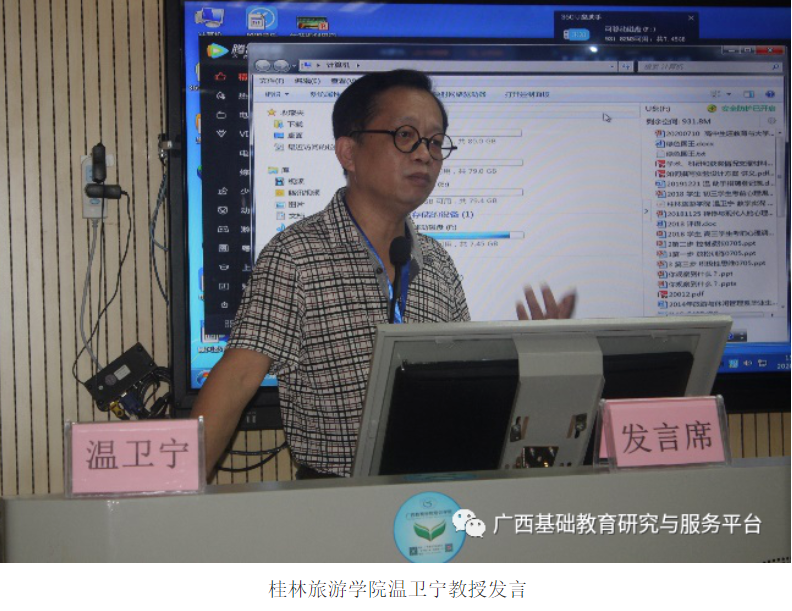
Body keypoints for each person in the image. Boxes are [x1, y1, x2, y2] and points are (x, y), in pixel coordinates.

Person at [192, 69, 575, 479]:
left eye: (435, 141)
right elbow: (236, 382)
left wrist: (536, 363)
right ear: (348, 153)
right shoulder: (296, 255)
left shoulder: (437, 262)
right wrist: (175, 495)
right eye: (405, 135)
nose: (425, 154)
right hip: (337, 497)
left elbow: (464, 385)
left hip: (437, 491)